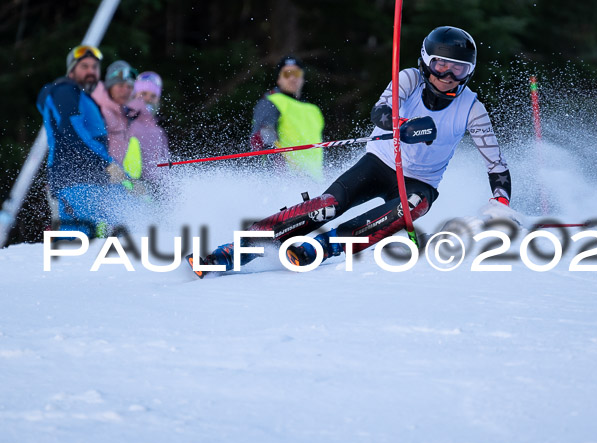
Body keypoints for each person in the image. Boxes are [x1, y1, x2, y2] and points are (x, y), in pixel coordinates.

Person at [190, 26, 511, 277]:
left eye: (458, 69)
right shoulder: (409, 79)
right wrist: (401, 127)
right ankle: (233, 251)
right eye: (441, 65)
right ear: (427, 61)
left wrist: (500, 202)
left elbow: (495, 164)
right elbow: (380, 112)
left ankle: (323, 247)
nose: (447, 76)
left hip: (419, 182)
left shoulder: (472, 107)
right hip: (380, 162)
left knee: (411, 206)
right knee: (328, 206)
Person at [36, 45, 135, 237]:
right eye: (84, 66)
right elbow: (73, 132)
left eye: (95, 67)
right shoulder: (64, 91)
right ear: (71, 69)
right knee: (75, 243)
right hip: (74, 180)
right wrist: (106, 164)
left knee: (101, 240)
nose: (91, 71)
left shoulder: (83, 97)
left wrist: (120, 177)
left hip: (91, 180)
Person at [250, 56, 325, 182]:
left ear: (302, 78)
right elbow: (261, 137)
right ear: (279, 79)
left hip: (314, 182)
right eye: (286, 74)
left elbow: (320, 149)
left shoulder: (314, 110)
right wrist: (276, 171)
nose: (292, 78)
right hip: (285, 181)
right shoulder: (272, 101)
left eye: (296, 73)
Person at [121, 72, 169, 196]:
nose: (148, 99)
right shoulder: (124, 122)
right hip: (128, 189)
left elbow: (164, 165)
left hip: (153, 191)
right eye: (143, 94)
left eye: (153, 96)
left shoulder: (159, 132)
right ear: (134, 95)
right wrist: (128, 183)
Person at [91, 60, 138, 166]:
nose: (125, 91)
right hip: (100, 173)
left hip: (116, 175)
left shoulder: (125, 113)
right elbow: (90, 144)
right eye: (120, 86)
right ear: (110, 86)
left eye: (129, 87)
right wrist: (107, 165)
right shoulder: (98, 109)